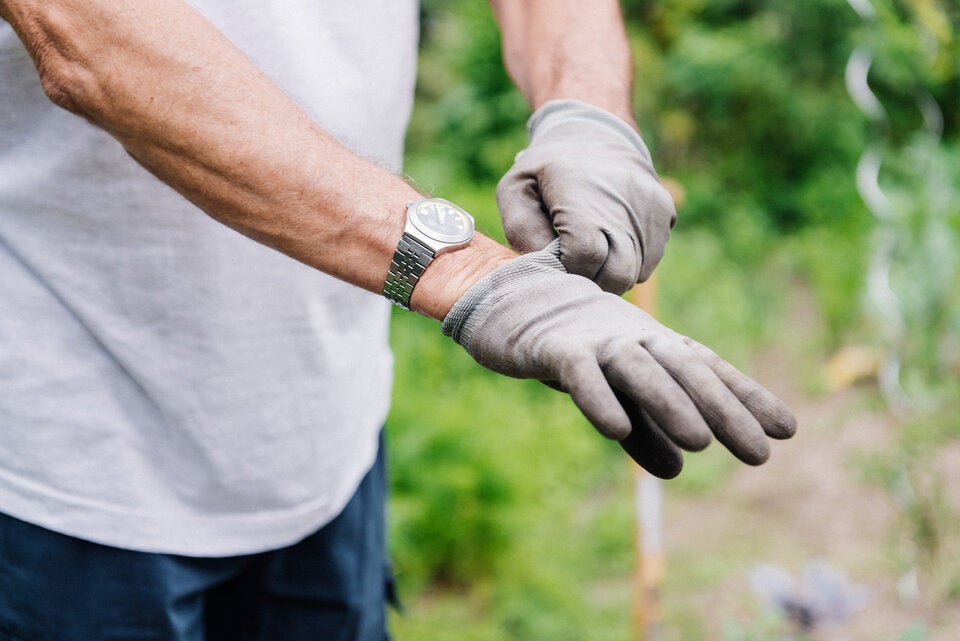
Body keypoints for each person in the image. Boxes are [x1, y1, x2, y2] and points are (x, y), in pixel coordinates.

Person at [0, 1, 796, 639]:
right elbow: (93, 39)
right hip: (62, 479)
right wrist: (465, 268)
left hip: (327, 436)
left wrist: (587, 113)